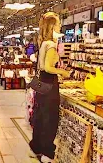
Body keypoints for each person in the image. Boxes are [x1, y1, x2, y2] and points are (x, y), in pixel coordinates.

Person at [29, 12, 70, 162]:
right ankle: (47, 152)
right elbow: (48, 67)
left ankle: (37, 145)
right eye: (58, 24)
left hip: (41, 84)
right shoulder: (51, 44)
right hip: (49, 84)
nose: (60, 26)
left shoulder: (43, 43)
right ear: (53, 26)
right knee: (50, 119)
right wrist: (63, 72)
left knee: (40, 116)